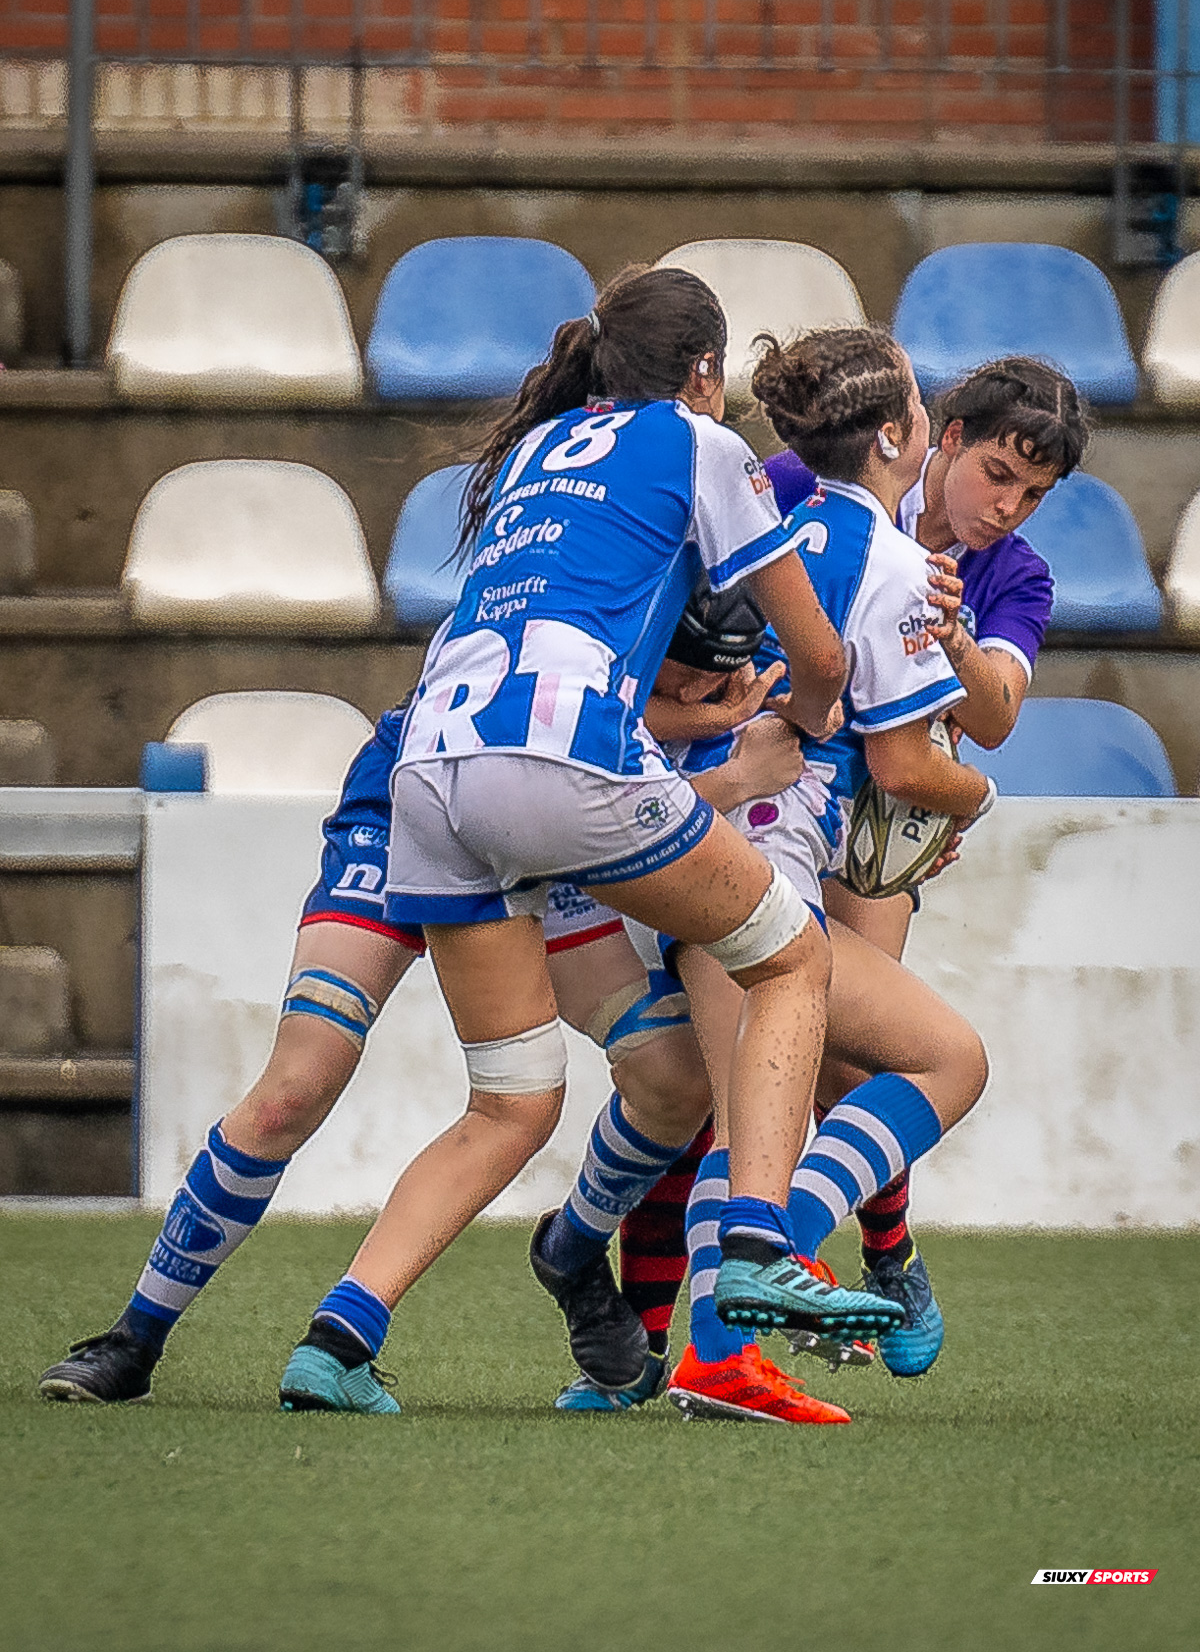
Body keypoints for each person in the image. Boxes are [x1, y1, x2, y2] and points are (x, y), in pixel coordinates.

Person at [271, 264, 910, 1414]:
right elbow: (818, 655)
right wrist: (806, 723)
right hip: (564, 765)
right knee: (789, 958)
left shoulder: (534, 451)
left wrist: (694, 719)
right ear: (705, 372)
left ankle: (338, 1341)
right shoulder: (702, 443)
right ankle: (757, 1244)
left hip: (430, 775)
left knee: (514, 1100)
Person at [539, 325, 997, 1423]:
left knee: (744, 1112)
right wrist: (974, 795)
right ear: (894, 436)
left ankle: (710, 1341)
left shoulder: (768, 535)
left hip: (685, 844)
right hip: (759, 871)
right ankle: (760, 1276)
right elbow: (905, 765)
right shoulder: (895, 566)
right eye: (920, 405)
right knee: (947, 1062)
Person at [37, 704, 719, 1404]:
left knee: (671, 1076)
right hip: (434, 780)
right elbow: (609, 690)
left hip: (546, 802)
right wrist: (726, 723)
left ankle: (541, 1262)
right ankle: (136, 1338)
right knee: (296, 1091)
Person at [759, 351, 1087, 1372]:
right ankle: (827, 1258)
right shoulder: (823, 483)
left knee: (852, 1056)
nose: (1008, 508)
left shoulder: (1015, 576)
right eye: (998, 474)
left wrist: (950, 638)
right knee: (784, 1051)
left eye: (1033, 494)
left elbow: (993, 718)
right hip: (775, 790)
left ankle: (864, 1253)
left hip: (876, 832)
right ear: (946, 438)